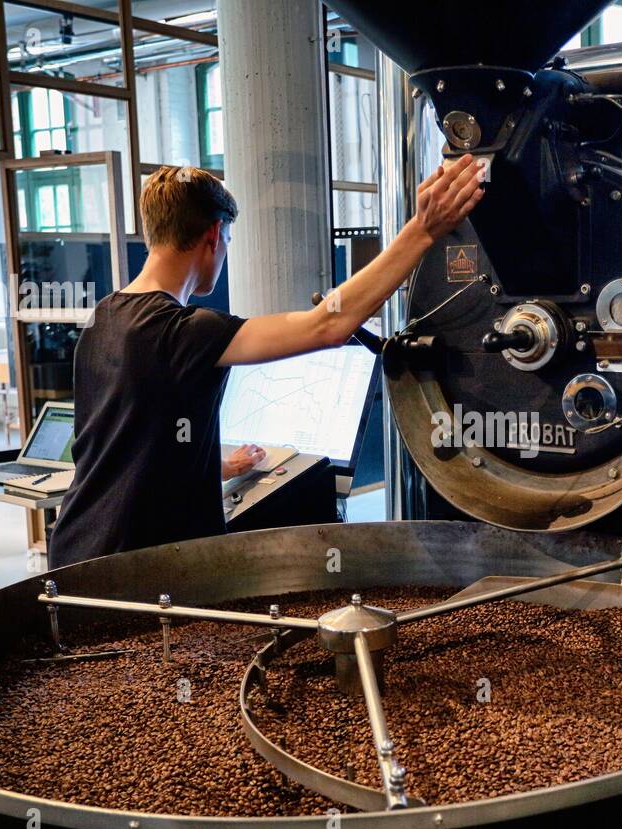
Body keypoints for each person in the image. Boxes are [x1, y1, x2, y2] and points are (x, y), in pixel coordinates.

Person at [49, 156, 486, 568]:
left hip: (78, 548)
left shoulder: (104, 315)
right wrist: (423, 230)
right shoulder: (183, 330)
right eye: (228, 242)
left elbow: (121, 441)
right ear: (214, 235)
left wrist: (220, 467)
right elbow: (325, 327)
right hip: (137, 566)